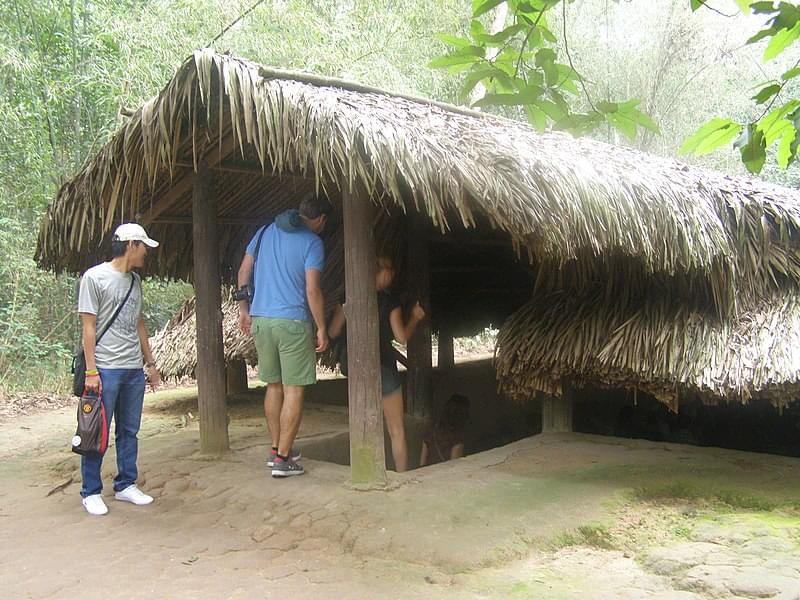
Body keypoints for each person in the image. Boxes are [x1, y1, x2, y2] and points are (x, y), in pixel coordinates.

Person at [237, 197, 330, 477]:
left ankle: (276, 449)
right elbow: (312, 290)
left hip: (261, 320)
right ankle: (284, 460)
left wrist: (244, 309)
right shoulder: (313, 242)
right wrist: (322, 327)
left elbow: (244, 271)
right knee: (294, 389)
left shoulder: (264, 232)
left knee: (273, 387)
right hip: (292, 322)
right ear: (319, 219)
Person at [77, 223, 161, 516]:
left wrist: (149, 363)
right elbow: (88, 327)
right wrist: (91, 371)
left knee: (129, 430)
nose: (146, 254)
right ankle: (90, 491)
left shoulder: (135, 282)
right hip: (105, 367)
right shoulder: (95, 277)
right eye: (143, 247)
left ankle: (126, 484)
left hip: (131, 368)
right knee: (96, 431)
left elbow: (139, 323)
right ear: (131, 245)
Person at [329, 255, 426, 472]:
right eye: (390, 270)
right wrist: (415, 318)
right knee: (396, 430)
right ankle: (401, 476)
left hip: (354, 367)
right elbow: (401, 337)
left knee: (364, 424)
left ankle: (365, 471)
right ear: (381, 271)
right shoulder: (389, 302)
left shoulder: (348, 296)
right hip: (383, 369)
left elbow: (333, 331)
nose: (392, 275)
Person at [419, 394, 470, 467]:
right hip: (442, 476)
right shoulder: (457, 437)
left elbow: (422, 463)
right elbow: (454, 467)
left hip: (427, 474)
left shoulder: (431, 429)